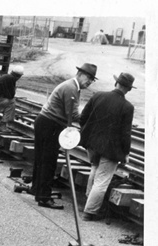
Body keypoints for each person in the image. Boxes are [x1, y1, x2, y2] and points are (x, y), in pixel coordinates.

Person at [30, 63, 97, 209]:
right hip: (51, 124)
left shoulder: (71, 86)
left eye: (92, 80)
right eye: (88, 77)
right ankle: (44, 197)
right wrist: (91, 122)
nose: (89, 82)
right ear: (79, 74)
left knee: (41, 159)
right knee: (49, 161)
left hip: (45, 121)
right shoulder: (71, 88)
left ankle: (37, 190)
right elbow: (72, 114)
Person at [79, 72, 135, 220]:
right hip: (110, 149)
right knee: (102, 180)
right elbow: (125, 133)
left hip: (92, 144)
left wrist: (89, 134)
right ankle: (90, 212)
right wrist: (126, 152)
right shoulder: (127, 107)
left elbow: (83, 117)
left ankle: (88, 203)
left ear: (116, 83)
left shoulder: (98, 95)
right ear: (128, 89)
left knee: (94, 170)